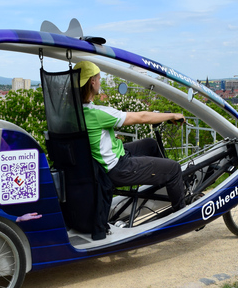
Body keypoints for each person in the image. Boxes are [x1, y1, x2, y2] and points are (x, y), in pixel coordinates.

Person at [75, 60, 187, 212]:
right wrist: (171, 115)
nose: (100, 82)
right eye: (99, 78)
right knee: (174, 169)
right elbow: (141, 117)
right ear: (93, 81)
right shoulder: (96, 114)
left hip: (102, 163)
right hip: (116, 168)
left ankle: (163, 182)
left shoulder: (74, 111)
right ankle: (181, 214)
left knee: (150, 144)